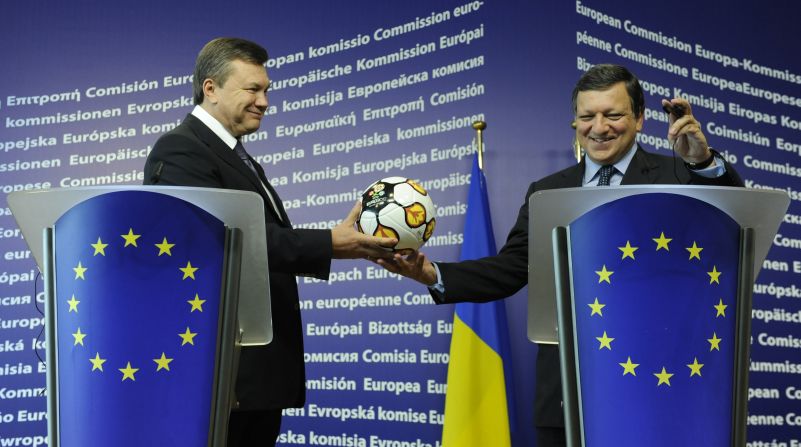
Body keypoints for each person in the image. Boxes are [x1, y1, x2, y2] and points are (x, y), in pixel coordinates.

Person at [377, 63, 744, 447]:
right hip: (567, 398)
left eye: (613, 114)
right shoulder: (547, 190)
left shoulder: (679, 173)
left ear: (639, 119)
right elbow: (512, 267)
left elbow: (733, 220)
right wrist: (432, 273)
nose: (598, 127)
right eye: (587, 116)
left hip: (658, 387)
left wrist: (702, 163)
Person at [143, 37, 396, 446]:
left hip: (253, 372)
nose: (264, 102)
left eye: (267, 91)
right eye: (252, 89)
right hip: (222, 373)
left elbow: (259, 239)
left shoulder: (236, 154)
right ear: (211, 89)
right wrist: (330, 244)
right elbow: (218, 245)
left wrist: (333, 244)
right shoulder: (180, 151)